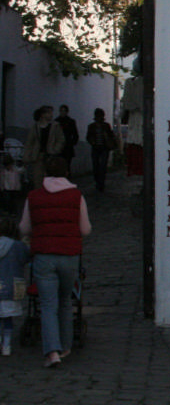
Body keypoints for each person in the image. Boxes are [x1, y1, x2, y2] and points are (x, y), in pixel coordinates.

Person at [19, 156, 90, 368]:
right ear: (67, 172)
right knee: (66, 301)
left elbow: (24, 228)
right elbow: (85, 229)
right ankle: (67, 345)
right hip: (69, 256)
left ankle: (52, 352)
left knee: (48, 304)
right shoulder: (76, 196)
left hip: (44, 255)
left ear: (45, 174)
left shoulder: (33, 197)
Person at [0, 215, 30, 356]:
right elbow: (26, 258)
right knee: (8, 319)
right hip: (12, 287)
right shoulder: (18, 246)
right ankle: (7, 345)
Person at [22, 106, 64, 187]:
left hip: (50, 155)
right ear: (43, 115)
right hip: (38, 155)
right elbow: (30, 142)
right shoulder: (35, 127)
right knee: (38, 178)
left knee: (50, 177)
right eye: (49, 113)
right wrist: (27, 156)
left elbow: (60, 139)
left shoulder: (55, 126)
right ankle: (39, 195)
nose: (51, 115)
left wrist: (55, 149)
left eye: (51, 112)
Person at [84, 108, 117, 193]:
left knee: (102, 166)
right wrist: (92, 141)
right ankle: (98, 182)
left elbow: (111, 136)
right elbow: (88, 137)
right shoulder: (92, 126)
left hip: (104, 148)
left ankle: (101, 183)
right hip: (96, 148)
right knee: (96, 166)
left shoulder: (106, 126)